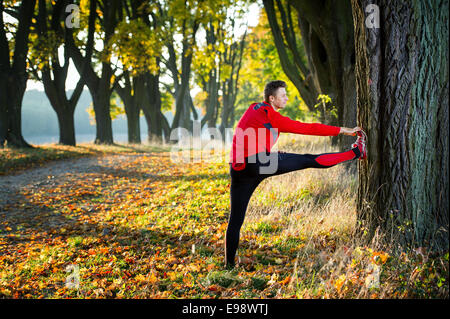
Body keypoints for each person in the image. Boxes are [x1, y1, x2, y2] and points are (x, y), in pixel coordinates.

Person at [225, 80, 366, 269]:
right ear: (272, 98)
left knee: (235, 220)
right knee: (309, 160)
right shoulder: (270, 114)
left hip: (238, 168)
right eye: (283, 95)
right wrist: (342, 130)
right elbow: (307, 128)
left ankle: (229, 266)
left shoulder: (254, 109)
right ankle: (357, 152)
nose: (286, 98)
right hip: (259, 162)